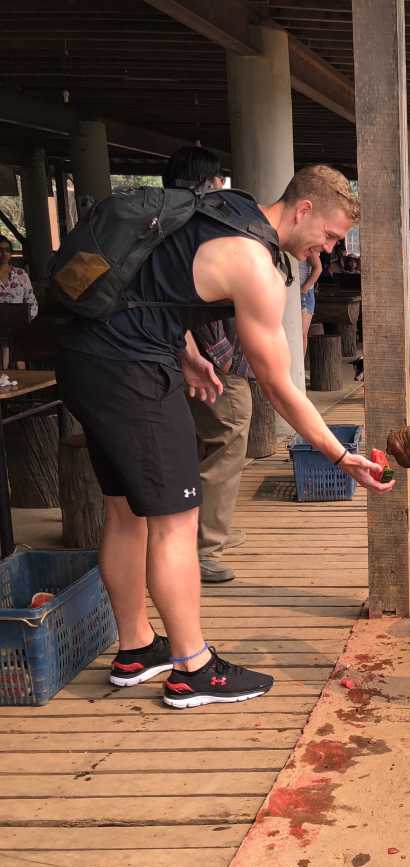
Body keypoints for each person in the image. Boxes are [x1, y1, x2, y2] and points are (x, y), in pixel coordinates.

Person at [56, 164, 393, 709]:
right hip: (133, 375)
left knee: (125, 512)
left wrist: (188, 354)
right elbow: (280, 386)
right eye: (328, 236)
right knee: (175, 522)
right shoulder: (255, 264)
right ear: (302, 209)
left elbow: (155, 281)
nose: (326, 251)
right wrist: (339, 454)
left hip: (87, 360)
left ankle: (137, 647)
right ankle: (193, 668)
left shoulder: (223, 208)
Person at [161, 146, 252, 586]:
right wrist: (210, 357)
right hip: (215, 363)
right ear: (208, 182)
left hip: (176, 356)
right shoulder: (202, 227)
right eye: (218, 180)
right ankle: (206, 548)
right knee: (225, 446)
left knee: (201, 445)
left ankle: (205, 535)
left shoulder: (162, 223)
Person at [0, 236, 36, 369]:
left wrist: (26, 320)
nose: (4, 253)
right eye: (0, 250)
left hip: (18, 327)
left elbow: (31, 301)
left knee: (19, 356)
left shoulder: (20, 274)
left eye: (7, 250)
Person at [298, 250, 321, 360]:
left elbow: (318, 268)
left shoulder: (308, 244)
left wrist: (304, 289)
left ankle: (299, 369)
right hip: (290, 293)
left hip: (304, 295)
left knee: (301, 334)